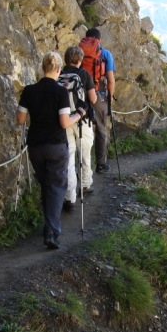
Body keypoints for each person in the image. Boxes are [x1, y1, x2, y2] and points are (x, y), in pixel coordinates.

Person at [17, 52, 86, 249]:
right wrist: (79, 114)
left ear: (42, 67)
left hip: (35, 146)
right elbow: (64, 123)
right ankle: (51, 232)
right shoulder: (60, 92)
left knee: (47, 185)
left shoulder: (29, 91)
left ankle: (49, 224)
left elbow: (20, 119)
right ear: (58, 69)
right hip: (56, 146)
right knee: (56, 187)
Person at [60, 45, 98, 209]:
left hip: (64, 119)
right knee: (85, 153)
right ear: (80, 59)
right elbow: (93, 99)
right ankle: (85, 184)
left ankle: (70, 197)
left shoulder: (59, 74)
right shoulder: (84, 74)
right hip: (82, 119)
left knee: (68, 158)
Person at [79, 28, 116, 172]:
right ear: (99, 39)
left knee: (80, 128)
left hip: (80, 94)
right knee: (101, 129)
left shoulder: (79, 51)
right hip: (98, 94)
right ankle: (101, 164)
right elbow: (110, 79)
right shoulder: (105, 53)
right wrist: (110, 97)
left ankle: (80, 164)